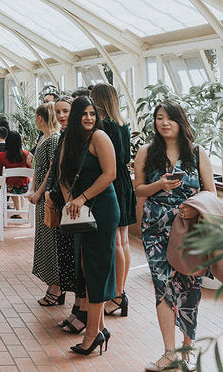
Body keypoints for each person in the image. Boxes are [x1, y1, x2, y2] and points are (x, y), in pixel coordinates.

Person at [133, 101, 215, 372]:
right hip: (156, 232)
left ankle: (188, 350)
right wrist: (160, 185)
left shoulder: (197, 153)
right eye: (159, 118)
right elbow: (139, 190)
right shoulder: (146, 152)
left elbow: (211, 194)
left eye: (170, 118)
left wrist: (192, 206)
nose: (164, 123)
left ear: (181, 122)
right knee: (163, 288)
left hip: (189, 231)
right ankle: (169, 353)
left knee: (191, 290)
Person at [48, 95, 118, 358]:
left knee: (96, 268)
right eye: (84, 114)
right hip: (78, 211)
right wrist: (69, 201)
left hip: (102, 209)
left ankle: (92, 335)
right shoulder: (69, 139)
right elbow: (62, 174)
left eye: (92, 113)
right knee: (86, 268)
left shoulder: (99, 137)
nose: (89, 118)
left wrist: (82, 198)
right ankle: (99, 327)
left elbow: (109, 174)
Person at [90, 82, 136, 318]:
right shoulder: (123, 124)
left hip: (111, 182)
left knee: (116, 241)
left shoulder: (104, 126)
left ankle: (117, 295)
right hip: (124, 181)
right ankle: (121, 291)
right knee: (124, 240)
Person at [28, 100, 70, 308]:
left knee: (51, 240)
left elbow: (52, 170)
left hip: (48, 198)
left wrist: (40, 192)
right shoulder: (44, 139)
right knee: (45, 238)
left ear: (40, 118)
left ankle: (56, 286)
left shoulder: (53, 140)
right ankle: (53, 284)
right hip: (42, 196)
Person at [0, 130, 32, 214]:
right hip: (24, 187)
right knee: (16, 182)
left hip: (8, 188)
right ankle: (18, 211)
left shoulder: (1, 155)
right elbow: (29, 169)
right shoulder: (26, 154)